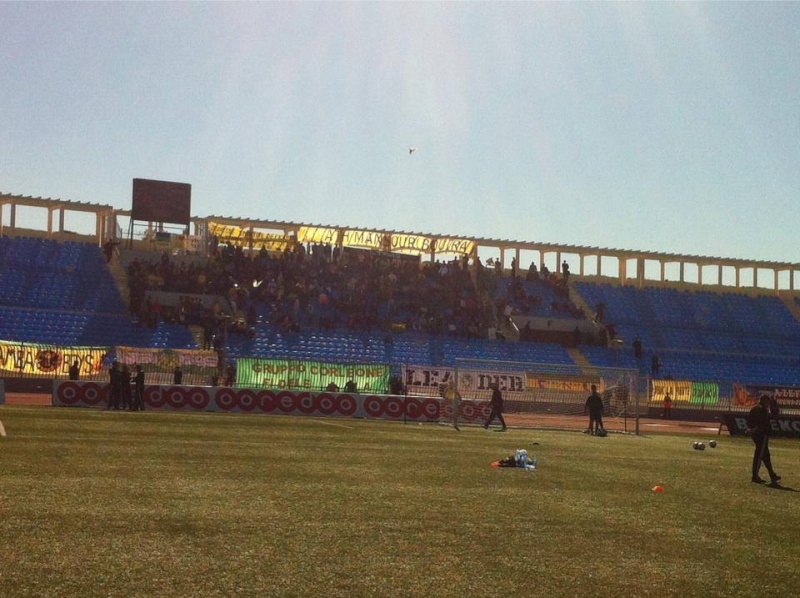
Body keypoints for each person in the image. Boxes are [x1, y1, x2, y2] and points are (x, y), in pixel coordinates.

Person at [746, 394, 781, 485]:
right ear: (764, 401)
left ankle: (772, 474)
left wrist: (751, 429)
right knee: (760, 455)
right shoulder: (761, 410)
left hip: (758, 434)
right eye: (768, 401)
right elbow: (762, 423)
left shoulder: (757, 408)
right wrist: (754, 429)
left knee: (766, 455)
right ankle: (755, 475)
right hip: (761, 435)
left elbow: (749, 421)